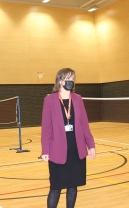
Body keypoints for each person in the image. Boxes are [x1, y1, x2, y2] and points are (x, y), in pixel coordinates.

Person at [41, 68, 96, 208]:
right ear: (60, 80)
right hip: (57, 151)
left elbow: (84, 124)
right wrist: (45, 150)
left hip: (76, 150)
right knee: (56, 187)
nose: (71, 81)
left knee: (73, 187)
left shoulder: (77, 99)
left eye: (73, 79)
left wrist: (91, 146)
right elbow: (46, 127)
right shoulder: (50, 100)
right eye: (68, 78)